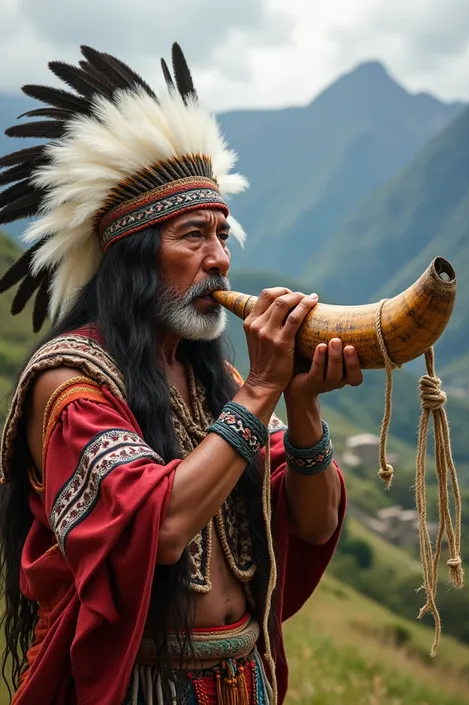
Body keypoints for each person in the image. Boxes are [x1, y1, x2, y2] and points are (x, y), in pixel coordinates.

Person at [0, 43, 363, 705]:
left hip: (244, 678)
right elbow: (158, 527)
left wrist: (303, 405)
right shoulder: (71, 386)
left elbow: (313, 524)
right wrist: (259, 392)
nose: (220, 259)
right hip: (142, 687)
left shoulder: (212, 378)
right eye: (194, 235)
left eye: (223, 235)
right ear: (136, 258)